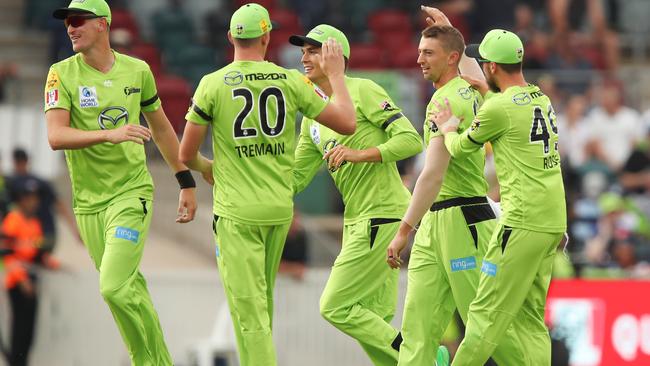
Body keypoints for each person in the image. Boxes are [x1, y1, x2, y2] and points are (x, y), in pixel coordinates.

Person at [178, 4, 356, 366]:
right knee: (262, 308)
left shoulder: (212, 84)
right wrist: (336, 76)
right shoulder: (292, 80)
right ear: (266, 37)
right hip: (278, 212)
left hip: (237, 214)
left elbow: (185, 153)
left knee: (250, 313)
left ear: (230, 37)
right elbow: (347, 123)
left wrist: (206, 166)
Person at [44, 0, 213, 364]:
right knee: (124, 290)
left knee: (113, 286)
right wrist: (110, 134)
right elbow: (56, 137)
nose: (70, 28)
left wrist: (185, 179)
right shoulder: (60, 73)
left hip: (130, 194)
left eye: (77, 21)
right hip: (88, 204)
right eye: (67, 23)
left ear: (102, 24)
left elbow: (163, 128)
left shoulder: (137, 71)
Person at [387, 8, 529, 366]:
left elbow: (432, 174)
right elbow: (466, 65)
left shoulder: (447, 100)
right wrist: (448, 29)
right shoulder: (467, 88)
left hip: (464, 220)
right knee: (417, 328)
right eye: (419, 51)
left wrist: (403, 230)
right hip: (438, 221)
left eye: (428, 53)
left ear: (451, 58)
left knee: (484, 327)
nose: (419, 59)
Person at [290, 24, 423, 365]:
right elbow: (295, 178)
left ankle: (417, 355)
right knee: (373, 321)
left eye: (313, 50)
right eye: (303, 50)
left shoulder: (363, 89)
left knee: (335, 306)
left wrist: (360, 154)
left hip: (383, 215)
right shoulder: (313, 117)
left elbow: (411, 140)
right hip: (359, 222)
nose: (304, 57)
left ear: (337, 56)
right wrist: (244, 181)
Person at [433, 28, 567, 365]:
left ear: (492, 67)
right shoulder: (539, 97)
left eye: (482, 63)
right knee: (532, 318)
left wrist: (448, 129)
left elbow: (462, 150)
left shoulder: (499, 109)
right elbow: (499, 101)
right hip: (552, 222)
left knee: (482, 313)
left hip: (521, 223)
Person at [1, 182, 58, 366]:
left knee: (29, 332)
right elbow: (6, 251)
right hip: (17, 283)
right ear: (22, 200)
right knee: (19, 331)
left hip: (32, 281)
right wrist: (21, 279)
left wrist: (50, 262)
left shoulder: (34, 223)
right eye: (30, 198)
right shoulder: (14, 219)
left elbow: (36, 253)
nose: (34, 202)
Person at [6, 148, 79, 254]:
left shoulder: (39, 183)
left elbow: (59, 204)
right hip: (24, 235)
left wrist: (74, 229)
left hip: (44, 232)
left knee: (36, 251)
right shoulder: (11, 183)